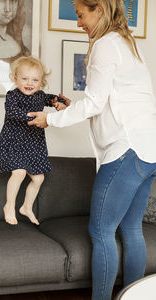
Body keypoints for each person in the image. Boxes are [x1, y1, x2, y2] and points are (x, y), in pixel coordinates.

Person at [27, 0, 156, 299]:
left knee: (101, 232)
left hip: (128, 149)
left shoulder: (105, 44)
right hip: (149, 149)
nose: (79, 23)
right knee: (132, 228)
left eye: (81, 15)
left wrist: (52, 118)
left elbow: (96, 102)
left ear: (99, 9)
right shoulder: (128, 44)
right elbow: (112, 102)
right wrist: (74, 109)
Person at [0, 56, 66, 226]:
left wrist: (59, 103)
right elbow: (11, 113)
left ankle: (26, 207)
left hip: (33, 144)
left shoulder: (40, 96)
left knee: (38, 178)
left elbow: (55, 99)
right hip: (14, 142)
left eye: (35, 80)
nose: (29, 83)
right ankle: (9, 206)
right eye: (24, 78)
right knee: (19, 172)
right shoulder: (12, 96)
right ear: (15, 78)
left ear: (41, 82)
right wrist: (35, 117)